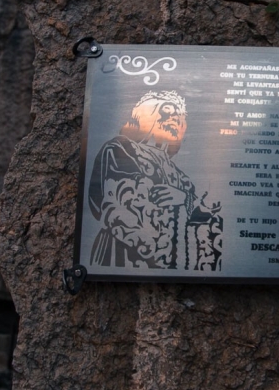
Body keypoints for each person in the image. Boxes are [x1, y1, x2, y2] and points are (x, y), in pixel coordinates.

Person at [87, 90, 222, 270]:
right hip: (125, 255)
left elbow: (205, 215)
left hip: (174, 260)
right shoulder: (121, 150)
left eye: (180, 116)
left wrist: (184, 199)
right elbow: (117, 207)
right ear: (146, 114)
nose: (175, 118)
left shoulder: (180, 174)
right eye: (168, 110)